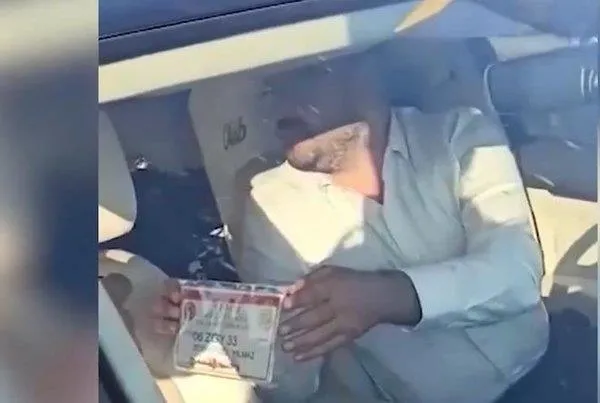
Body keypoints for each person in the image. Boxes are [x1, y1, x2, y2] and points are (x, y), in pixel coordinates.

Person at [153, 52, 549, 403]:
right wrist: (219, 334)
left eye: (301, 76)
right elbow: (294, 383)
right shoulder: (270, 206)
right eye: (270, 90)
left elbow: (516, 274)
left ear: (363, 75)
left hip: (548, 371)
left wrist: (386, 297)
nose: (275, 106)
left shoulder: (460, 137)